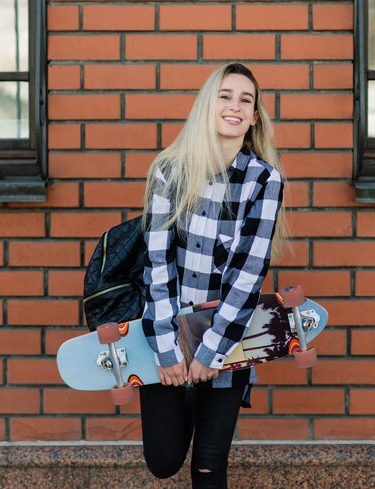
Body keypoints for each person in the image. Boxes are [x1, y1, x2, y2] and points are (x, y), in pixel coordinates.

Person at [140, 62, 286, 488]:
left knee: (209, 465)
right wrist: (168, 350)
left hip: (228, 340)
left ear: (254, 116)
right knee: (164, 459)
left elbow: (249, 271)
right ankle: (182, 391)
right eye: (225, 96)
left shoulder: (263, 179)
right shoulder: (171, 168)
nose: (235, 106)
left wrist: (211, 352)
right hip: (166, 333)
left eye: (246, 100)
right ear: (208, 104)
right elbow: (157, 263)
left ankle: (206, 394)